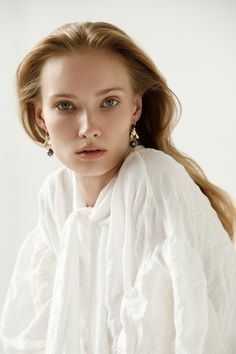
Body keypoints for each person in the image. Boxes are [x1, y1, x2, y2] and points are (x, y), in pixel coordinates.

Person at [0, 21, 236, 354]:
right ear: (41, 118)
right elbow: (31, 329)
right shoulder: (57, 195)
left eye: (109, 102)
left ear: (135, 108)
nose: (88, 128)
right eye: (65, 106)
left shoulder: (153, 182)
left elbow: (176, 336)